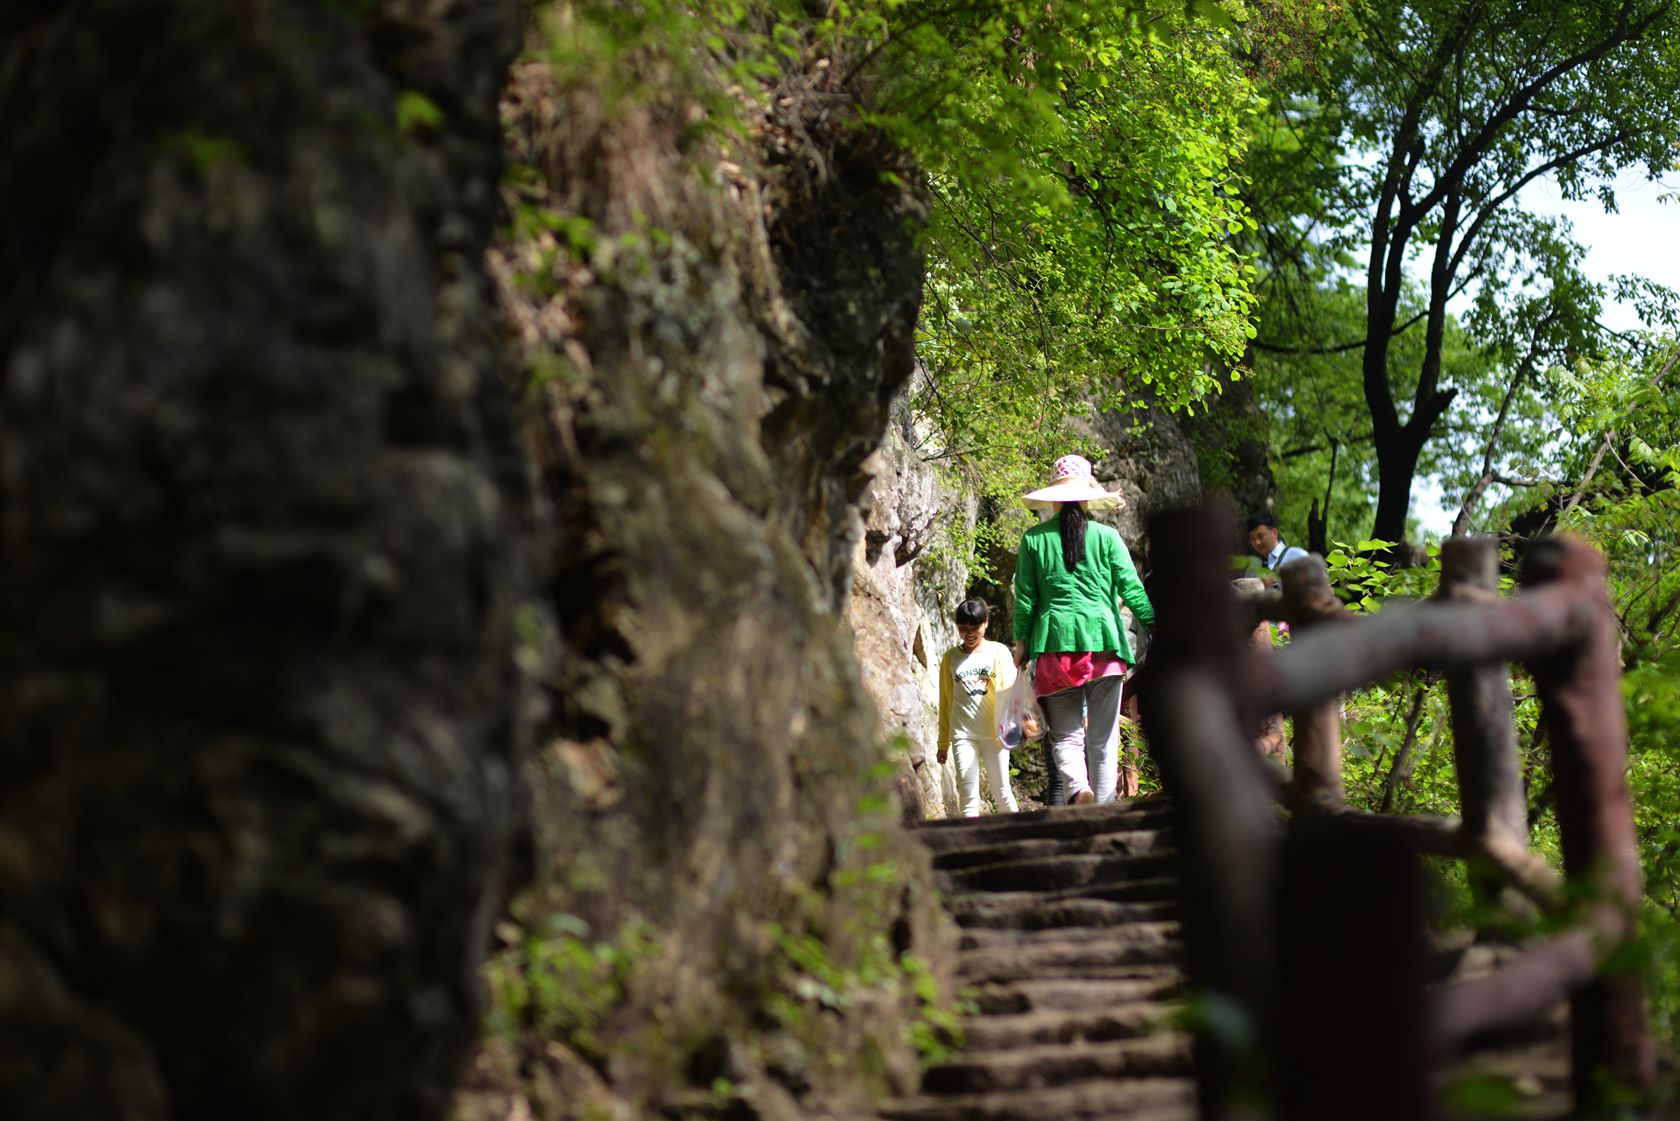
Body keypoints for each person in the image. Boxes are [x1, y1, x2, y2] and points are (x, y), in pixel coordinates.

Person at [1012, 455, 1154, 806]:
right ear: (1088, 496)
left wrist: (1021, 644)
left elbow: (1026, 600)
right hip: (1105, 645)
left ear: (1055, 498)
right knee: (1103, 741)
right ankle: (1104, 806)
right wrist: (1156, 624)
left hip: (1054, 646)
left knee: (1066, 736)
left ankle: (1079, 789)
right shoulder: (1108, 537)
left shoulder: (1034, 540)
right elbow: (1133, 590)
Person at [936, 599, 1020, 817]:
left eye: (975, 628)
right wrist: (943, 742)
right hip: (963, 734)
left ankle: (1021, 836)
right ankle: (970, 846)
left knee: (1002, 792)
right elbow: (945, 700)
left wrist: (1015, 729)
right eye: (963, 629)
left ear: (986, 624)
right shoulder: (950, 658)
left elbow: (1012, 693)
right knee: (967, 795)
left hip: (995, 734)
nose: (969, 634)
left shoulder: (998, 652)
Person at [1246, 512, 1308, 583]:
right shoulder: (1252, 569)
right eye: (1252, 539)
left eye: (1260, 536)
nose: (1257, 542)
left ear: (1274, 533)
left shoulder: (1297, 556)